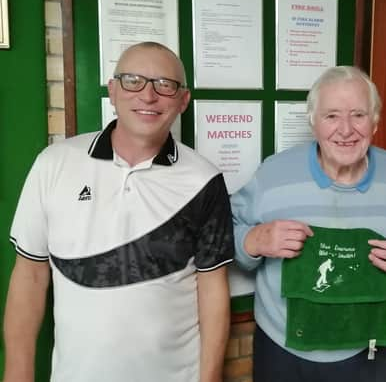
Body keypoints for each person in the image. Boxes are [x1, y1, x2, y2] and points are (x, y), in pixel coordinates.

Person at [3, 42, 234, 382]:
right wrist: (17, 372)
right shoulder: (53, 164)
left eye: (164, 85)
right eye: (132, 80)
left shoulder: (205, 179)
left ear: (183, 100)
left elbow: (213, 289)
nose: (148, 95)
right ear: (112, 91)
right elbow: (30, 275)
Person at [232, 65, 386, 382]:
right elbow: (226, 233)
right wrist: (253, 242)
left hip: (367, 351)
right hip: (282, 351)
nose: (346, 130)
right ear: (313, 122)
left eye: (358, 115)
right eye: (331, 116)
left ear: (375, 123)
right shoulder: (272, 175)